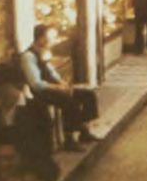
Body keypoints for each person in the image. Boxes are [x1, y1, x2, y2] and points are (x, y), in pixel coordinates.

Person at [20, 24, 100, 152]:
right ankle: (69, 139)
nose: (52, 41)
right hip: (41, 93)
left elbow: (51, 72)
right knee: (68, 100)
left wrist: (63, 84)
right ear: (40, 39)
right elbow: (36, 83)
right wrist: (58, 88)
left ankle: (84, 131)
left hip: (54, 87)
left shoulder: (43, 53)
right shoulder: (28, 56)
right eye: (49, 38)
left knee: (88, 95)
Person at [0, 61, 52, 170]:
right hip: (1, 174)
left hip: (31, 172)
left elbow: (45, 146)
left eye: (2, 89)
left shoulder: (36, 109)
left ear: (13, 86)